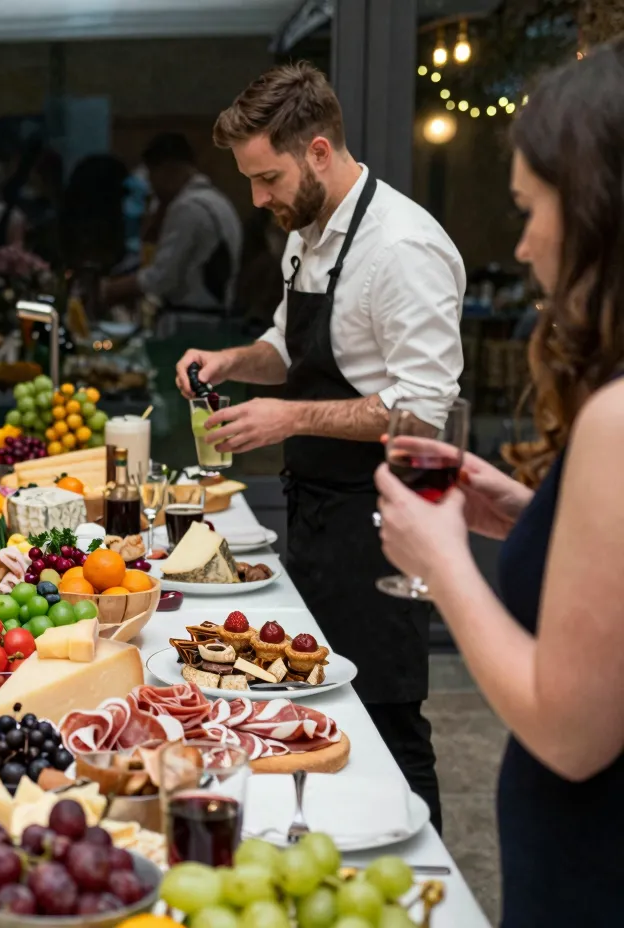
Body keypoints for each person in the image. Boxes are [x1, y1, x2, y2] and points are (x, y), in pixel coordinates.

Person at [176, 63, 465, 832]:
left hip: (382, 525)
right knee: (323, 715)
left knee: (388, 725)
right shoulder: (307, 235)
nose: (257, 199)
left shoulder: (402, 247)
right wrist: (233, 362)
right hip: (316, 514)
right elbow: (288, 346)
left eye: (266, 178)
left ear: (319, 152)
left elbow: (424, 411)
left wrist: (289, 419)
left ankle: (423, 883)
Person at [374, 41, 624, 925]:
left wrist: (442, 563)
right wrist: (537, 520)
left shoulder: (616, 417)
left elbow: (571, 733)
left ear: (596, 210)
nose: (521, 245)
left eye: (529, 208)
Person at [101, 132, 243, 314]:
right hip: (217, 313)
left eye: (152, 176)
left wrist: (111, 289)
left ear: (168, 170)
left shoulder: (187, 207)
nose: (152, 187)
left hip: (192, 316)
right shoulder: (217, 201)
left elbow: (161, 278)